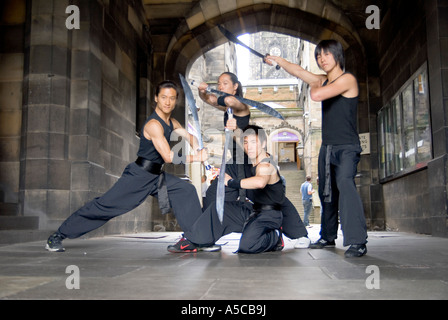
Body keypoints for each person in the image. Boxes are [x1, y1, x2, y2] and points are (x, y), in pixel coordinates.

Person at [45, 81, 208, 252]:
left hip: (156, 177)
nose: (167, 102)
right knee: (105, 206)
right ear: (156, 98)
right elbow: (168, 157)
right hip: (139, 176)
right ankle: (58, 235)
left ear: (176, 101)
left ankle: (196, 238)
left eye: (172, 98)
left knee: (186, 190)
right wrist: (196, 157)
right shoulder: (154, 125)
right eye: (163, 97)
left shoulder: (172, 122)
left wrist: (198, 148)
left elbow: (190, 137)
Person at [266, 40, 368, 257]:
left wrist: (312, 82)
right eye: (319, 56)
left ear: (337, 55)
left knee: (345, 185)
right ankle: (328, 236)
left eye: (327, 54)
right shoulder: (322, 80)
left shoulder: (347, 79)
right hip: (328, 147)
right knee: (326, 192)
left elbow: (316, 95)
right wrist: (278, 60)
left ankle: (358, 240)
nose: (322, 59)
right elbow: (300, 71)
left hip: (347, 147)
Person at [198, 72, 310, 249]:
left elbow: (228, 101)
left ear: (235, 87)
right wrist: (202, 92)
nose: (220, 87)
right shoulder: (227, 106)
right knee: (215, 194)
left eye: (225, 83)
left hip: (248, 159)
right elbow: (211, 100)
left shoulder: (241, 105)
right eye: (218, 84)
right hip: (235, 160)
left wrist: (212, 92)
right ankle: (204, 236)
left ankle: (298, 233)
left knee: (271, 196)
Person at [167, 125, 285, 254]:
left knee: (248, 246)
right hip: (253, 211)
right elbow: (236, 138)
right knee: (218, 209)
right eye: (246, 142)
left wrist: (231, 182)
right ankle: (194, 241)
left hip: (269, 216)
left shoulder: (265, 164)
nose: (248, 146)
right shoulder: (252, 162)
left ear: (263, 143)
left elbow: (260, 182)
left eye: (253, 142)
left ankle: (275, 238)